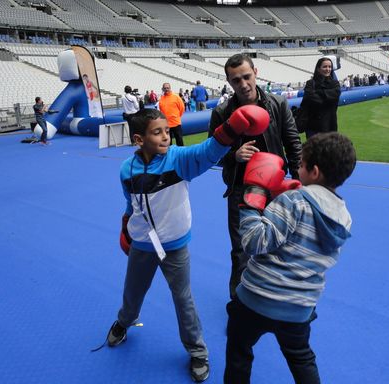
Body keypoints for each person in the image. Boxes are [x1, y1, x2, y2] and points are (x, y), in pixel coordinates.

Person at [104, 105, 270, 383]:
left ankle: (197, 352)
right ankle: (123, 322)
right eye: (157, 133)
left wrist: (230, 128)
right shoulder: (126, 170)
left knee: (183, 299)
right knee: (132, 293)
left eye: (167, 131)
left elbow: (207, 151)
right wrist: (126, 226)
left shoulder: (178, 159)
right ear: (138, 140)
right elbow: (130, 203)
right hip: (143, 245)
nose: (165, 137)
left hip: (175, 246)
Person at [224, 132, 357, 384]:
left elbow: (254, 241)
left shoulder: (293, 201)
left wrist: (253, 196)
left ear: (314, 172)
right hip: (299, 306)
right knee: (301, 358)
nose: (297, 169)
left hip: (257, 298)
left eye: (301, 165)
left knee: (239, 350)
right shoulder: (343, 216)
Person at [208, 53, 302, 300]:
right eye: (236, 80)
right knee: (241, 250)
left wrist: (301, 181)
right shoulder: (221, 113)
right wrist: (233, 156)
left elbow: (293, 143)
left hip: (276, 187)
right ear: (229, 82)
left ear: (256, 72)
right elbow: (212, 153)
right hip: (240, 188)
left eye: (246, 77)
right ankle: (239, 302)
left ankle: (279, 295)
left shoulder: (278, 104)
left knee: (281, 242)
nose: (243, 84)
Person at [298, 57, 341, 139]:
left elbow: (335, 96)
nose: (328, 69)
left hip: (330, 125)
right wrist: (327, 96)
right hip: (313, 127)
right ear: (318, 69)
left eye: (329, 67)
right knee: (314, 150)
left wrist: (318, 93)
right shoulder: (310, 83)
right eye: (325, 67)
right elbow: (310, 99)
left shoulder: (335, 83)